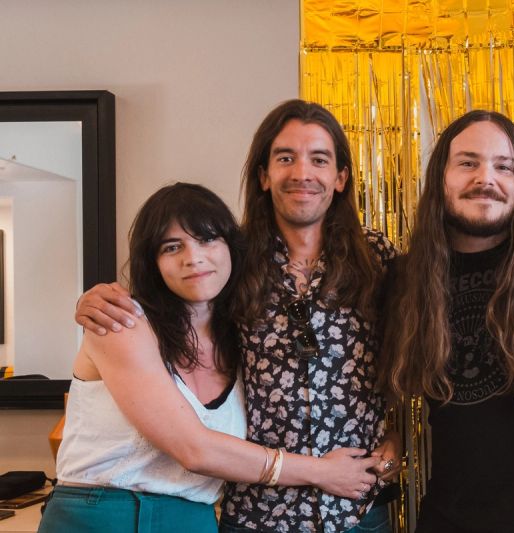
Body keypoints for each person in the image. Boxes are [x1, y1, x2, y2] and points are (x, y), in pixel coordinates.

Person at [75, 101, 401, 533]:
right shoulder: (230, 259)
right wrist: (97, 299)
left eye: (319, 159)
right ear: (264, 175)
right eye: (286, 158)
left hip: (358, 507)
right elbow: (168, 304)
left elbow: (408, 355)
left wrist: (396, 435)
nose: (302, 172)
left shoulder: (378, 259)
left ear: (340, 177)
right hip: (260, 512)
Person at [379, 110, 514, 532]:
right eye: (468, 163)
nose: (486, 178)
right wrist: (388, 435)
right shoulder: (405, 279)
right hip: (447, 517)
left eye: (504, 167)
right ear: (441, 177)